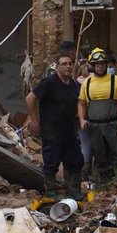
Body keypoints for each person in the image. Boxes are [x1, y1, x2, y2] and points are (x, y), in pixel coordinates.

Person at [26, 54, 85, 199]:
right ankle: (51, 191)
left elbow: (79, 102)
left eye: (70, 64)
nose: (68, 66)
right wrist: (34, 121)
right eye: (64, 64)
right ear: (57, 66)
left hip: (70, 130)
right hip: (52, 130)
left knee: (75, 160)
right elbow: (30, 98)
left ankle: (73, 190)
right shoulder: (49, 82)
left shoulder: (73, 84)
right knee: (52, 161)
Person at [77, 48, 117, 185]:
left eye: (103, 63)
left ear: (107, 64)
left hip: (113, 124)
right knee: (99, 156)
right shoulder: (86, 84)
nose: (100, 66)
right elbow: (81, 103)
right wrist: (82, 120)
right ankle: (103, 185)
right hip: (94, 126)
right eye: (97, 64)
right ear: (92, 66)